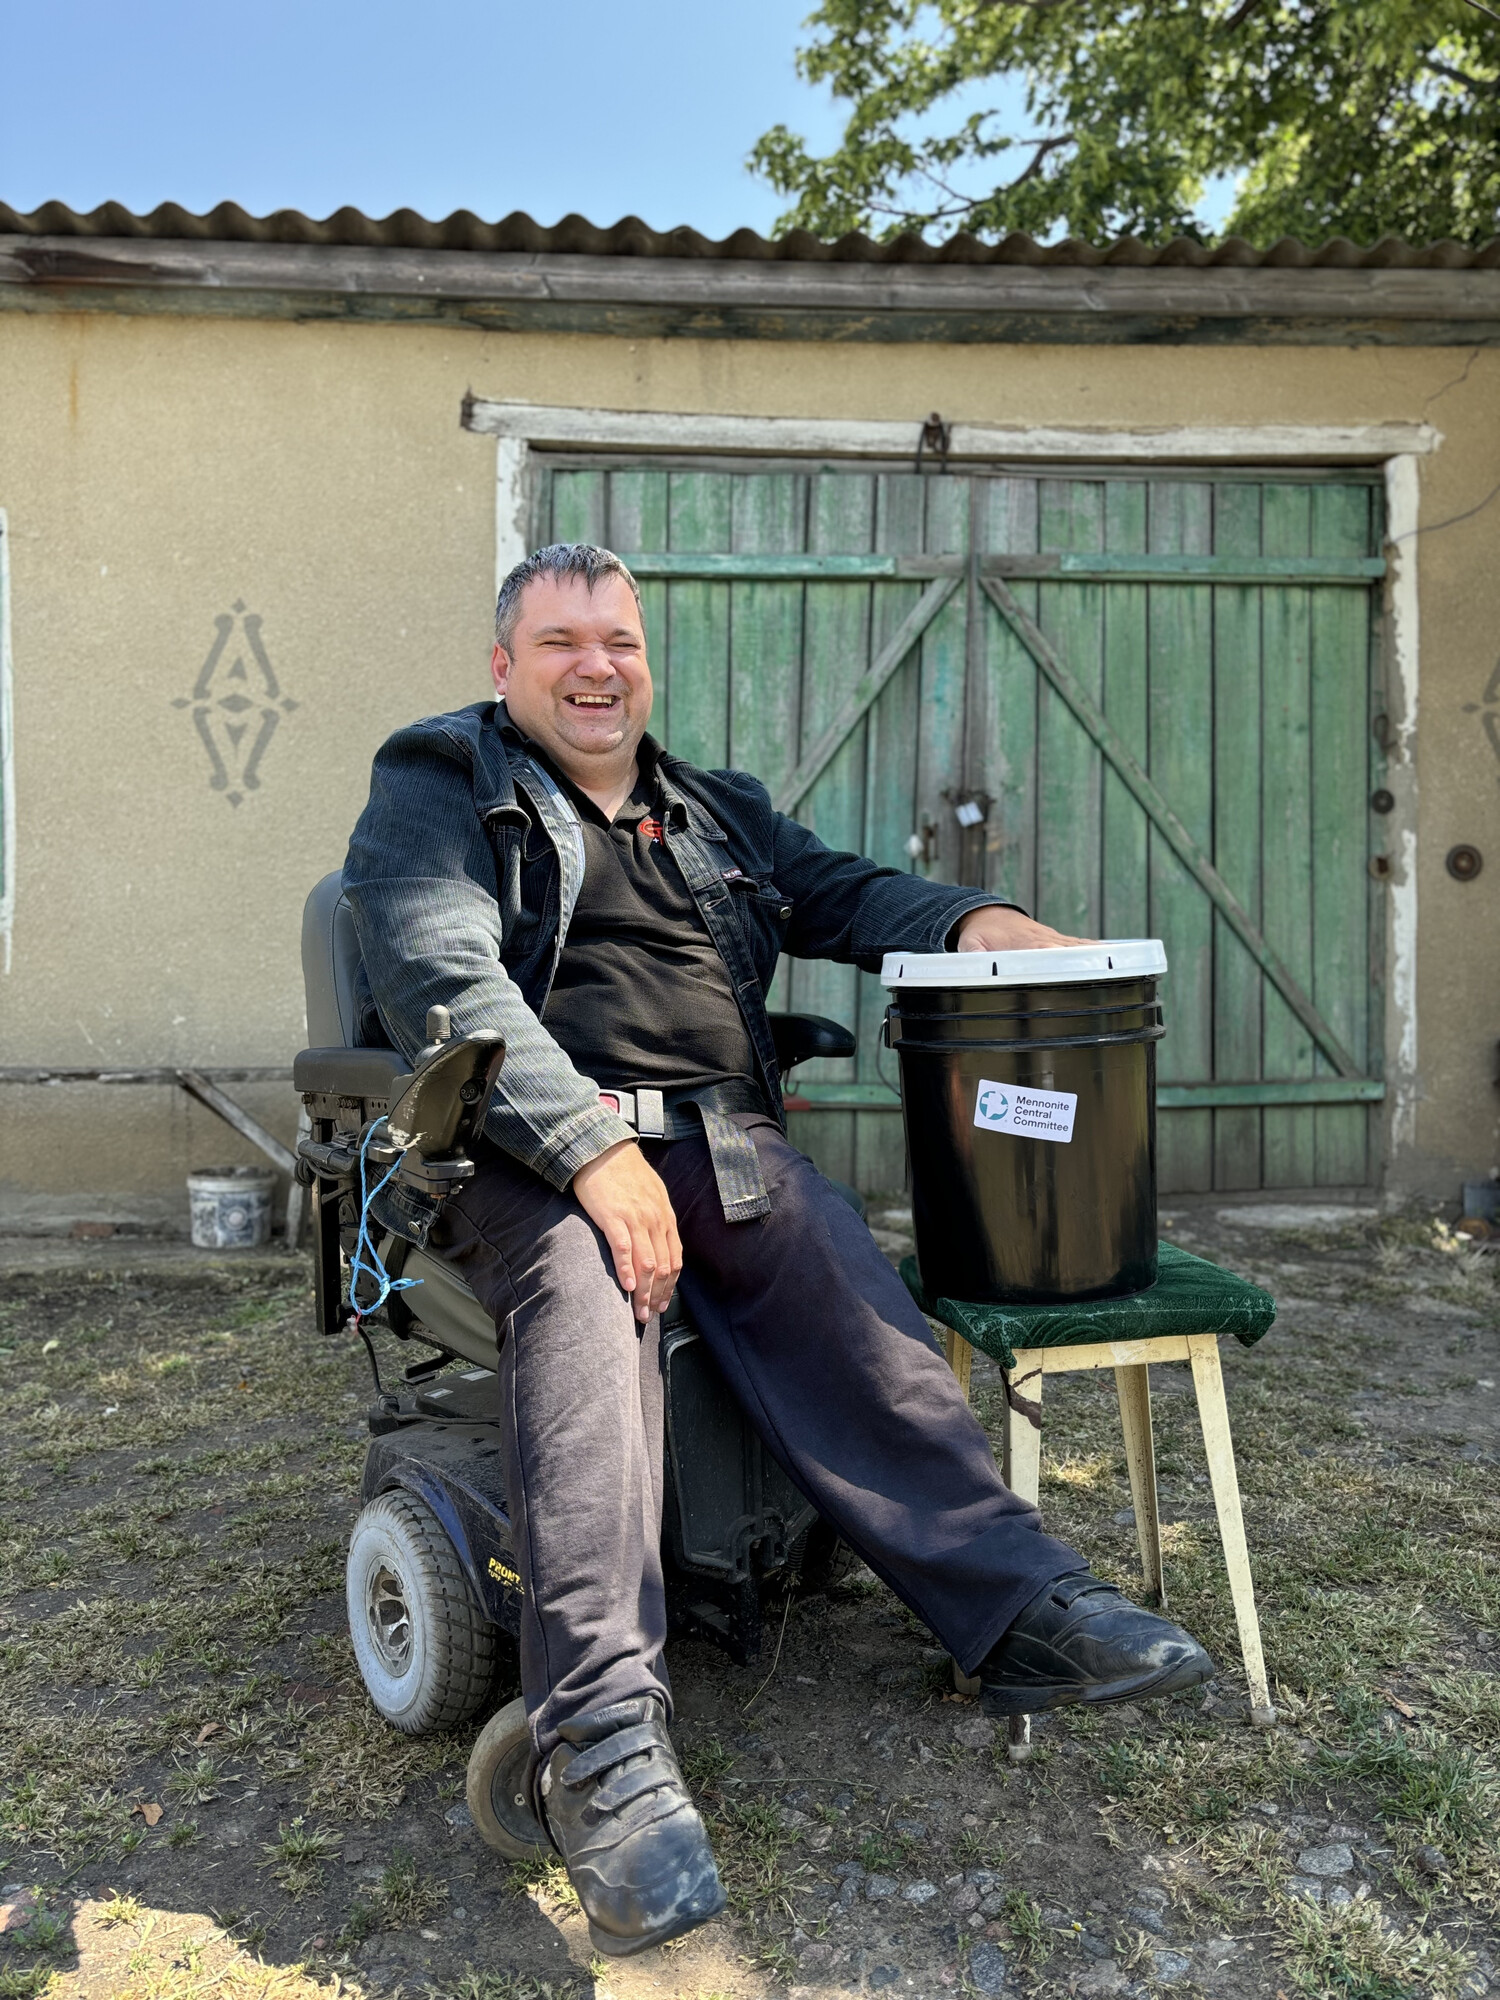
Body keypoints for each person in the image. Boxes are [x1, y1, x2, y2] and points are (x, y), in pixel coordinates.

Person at [343, 543, 1211, 1959]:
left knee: (837, 1278)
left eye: (616, 640)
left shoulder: (708, 810)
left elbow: (844, 891)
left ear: (644, 658)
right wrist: (589, 1149)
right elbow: (444, 974)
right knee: (583, 1293)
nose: (595, 666)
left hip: (713, 1137)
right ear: (506, 669)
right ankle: (602, 1742)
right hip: (520, 1149)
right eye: (558, 642)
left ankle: (1014, 1602)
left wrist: (971, 922)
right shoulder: (442, 783)